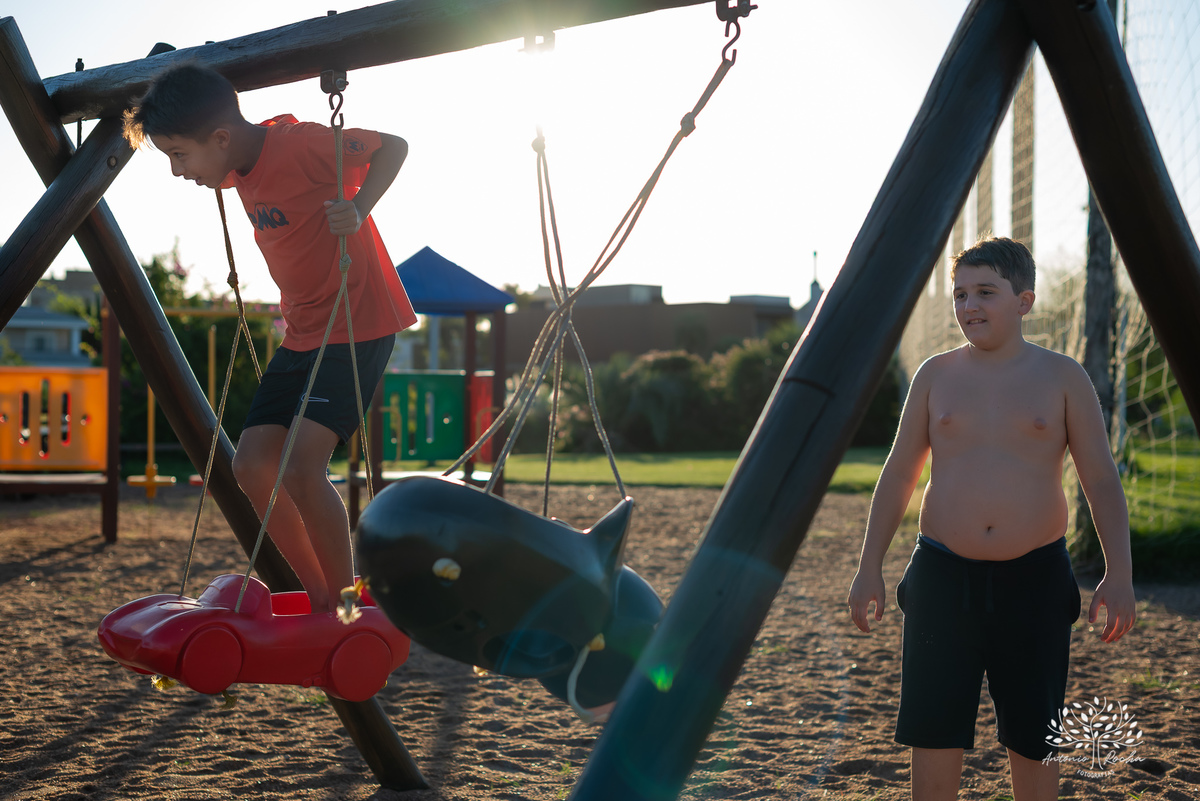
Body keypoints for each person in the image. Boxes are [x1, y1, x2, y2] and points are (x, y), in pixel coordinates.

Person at [846, 237, 1136, 801]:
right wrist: (869, 567)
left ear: (1024, 300)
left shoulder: (1063, 377)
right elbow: (900, 473)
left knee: (1034, 736)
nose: (968, 305)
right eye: (959, 294)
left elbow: (1101, 480)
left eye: (985, 292)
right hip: (941, 577)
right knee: (933, 730)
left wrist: (1119, 573)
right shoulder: (934, 375)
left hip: (1034, 581)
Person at [123, 63, 417, 615]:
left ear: (220, 138)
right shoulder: (234, 164)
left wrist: (357, 207)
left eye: (178, 155)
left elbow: (393, 147)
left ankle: (347, 602)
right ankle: (320, 595)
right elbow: (225, 139)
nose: (175, 171)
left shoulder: (303, 144)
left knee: (303, 467)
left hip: (357, 323)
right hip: (304, 332)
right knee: (252, 465)